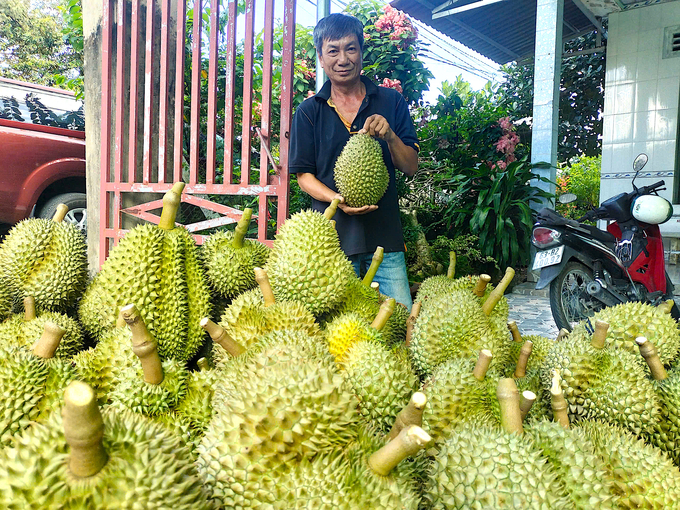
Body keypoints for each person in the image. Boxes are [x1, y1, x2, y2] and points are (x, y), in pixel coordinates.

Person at [288, 12, 419, 310]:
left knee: (400, 324)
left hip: (385, 241)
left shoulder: (391, 101)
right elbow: (303, 176)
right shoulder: (309, 110)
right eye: (332, 51)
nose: (342, 59)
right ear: (321, 58)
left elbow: (410, 166)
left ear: (361, 51)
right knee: (340, 334)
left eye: (350, 48)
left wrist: (390, 136)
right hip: (331, 242)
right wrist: (337, 200)